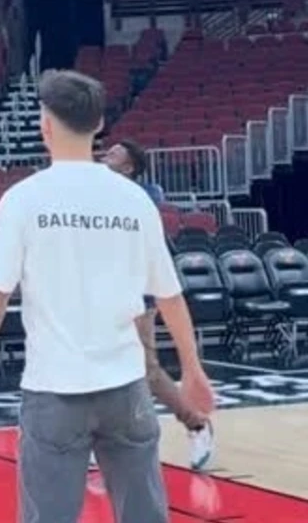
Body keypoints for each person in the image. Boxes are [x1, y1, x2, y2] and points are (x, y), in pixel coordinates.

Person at [0, 69, 216, 523]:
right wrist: (192, 369)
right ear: (97, 126)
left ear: (45, 125)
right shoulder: (135, 202)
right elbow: (169, 296)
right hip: (127, 391)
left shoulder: (22, 200)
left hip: (54, 391)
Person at [104, 138, 216, 471]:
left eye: (114, 153)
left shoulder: (141, 199)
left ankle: (196, 423)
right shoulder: (97, 192)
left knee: (147, 371)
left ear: (128, 167)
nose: (104, 154)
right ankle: (105, 442)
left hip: (136, 295)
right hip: (100, 296)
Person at [103, 140, 165, 206]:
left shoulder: (149, 194)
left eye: (112, 156)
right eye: (106, 156)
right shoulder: (98, 191)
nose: (103, 160)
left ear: (127, 169)